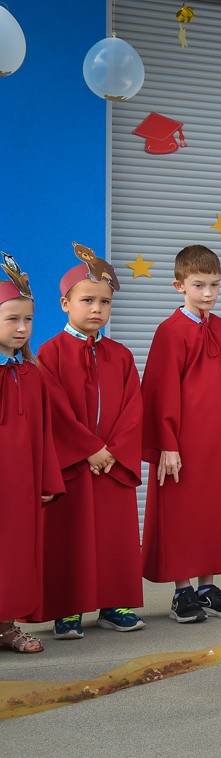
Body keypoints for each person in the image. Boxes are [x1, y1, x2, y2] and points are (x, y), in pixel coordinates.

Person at [31, 253, 146, 640]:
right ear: (65, 303)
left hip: (112, 463)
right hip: (75, 464)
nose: (97, 309)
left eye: (105, 302)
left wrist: (113, 451)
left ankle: (115, 604)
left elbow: (134, 408)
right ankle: (68, 608)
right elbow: (55, 410)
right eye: (88, 300)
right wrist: (89, 448)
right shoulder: (48, 354)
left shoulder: (122, 356)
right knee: (71, 536)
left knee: (114, 536)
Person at [141, 245, 221, 622]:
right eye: (199, 285)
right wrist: (167, 445)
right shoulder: (169, 332)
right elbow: (159, 392)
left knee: (211, 514)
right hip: (182, 446)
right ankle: (182, 591)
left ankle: (206, 588)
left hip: (216, 443)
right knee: (179, 515)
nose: (208, 293)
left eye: (215, 285)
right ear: (179, 285)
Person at [0, 254, 64, 653]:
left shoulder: (32, 375)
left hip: (20, 484)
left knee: (15, 554)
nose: (23, 328)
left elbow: (45, 434)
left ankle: (6, 625)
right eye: (12, 319)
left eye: (28, 320)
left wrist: (46, 479)